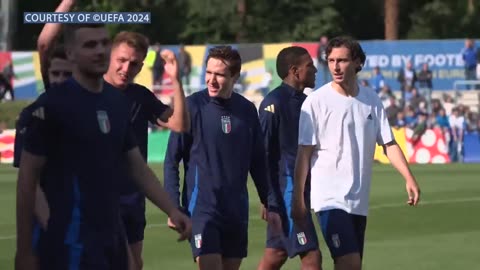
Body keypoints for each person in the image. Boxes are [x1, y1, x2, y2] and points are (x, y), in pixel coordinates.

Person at [14, 23, 191, 270]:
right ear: (72, 54)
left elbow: (137, 168)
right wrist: (24, 250)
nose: (99, 51)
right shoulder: (49, 106)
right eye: (89, 45)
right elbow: (27, 182)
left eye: (102, 43)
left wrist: (172, 210)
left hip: (112, 231)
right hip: (68, 235)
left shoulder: (117, 104)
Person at [291, 36, 421, 270]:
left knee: (352, 265)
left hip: (358, 201)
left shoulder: (371, 99)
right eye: (331, 61)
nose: (336, 67)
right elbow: (304, 152)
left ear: (358, 63)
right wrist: (298, 197)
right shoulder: (316, 102)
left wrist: (409, 178)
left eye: (342, 60)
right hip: (329, 200)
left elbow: (388, 143)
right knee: (349, 263)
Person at [163, 45, 275, 270]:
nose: (211, 80)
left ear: (234, 76)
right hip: (202, 209)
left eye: (220, 74)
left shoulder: (246, 110)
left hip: (236, 210)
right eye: (208, 72)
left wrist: (268, 200)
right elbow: (171, 160)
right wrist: (173, 206)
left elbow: (258, 162)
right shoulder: (192, 106)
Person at [102, 31, 189, 270]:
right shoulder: (91, 92)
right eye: (121, 60)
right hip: (98, 195)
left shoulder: (140, 96)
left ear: (141, 66)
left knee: (134, 264)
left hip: (133, 195)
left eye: (134, 64)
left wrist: (176, 80)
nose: (126, 68)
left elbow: (179, 124)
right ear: (110, 56)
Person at [256, 46, 322, 270]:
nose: (314, 70)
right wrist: (267, 198)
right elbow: (261, 154)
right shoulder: (273, 104)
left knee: (276, 254)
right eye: (310, 66)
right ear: (295, 71)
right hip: (287, 196)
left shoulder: (306, 103)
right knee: (312, 259)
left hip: (298, 191)